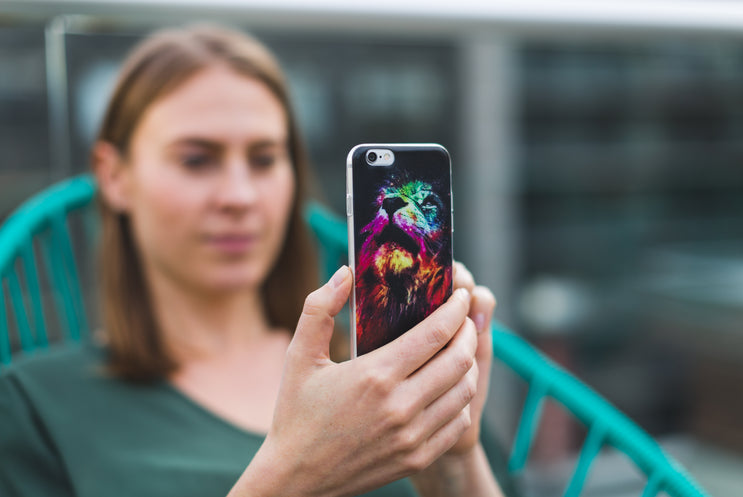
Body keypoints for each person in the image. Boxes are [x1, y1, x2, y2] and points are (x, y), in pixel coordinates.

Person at [0, 24, 504, 497]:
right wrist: (293, 475)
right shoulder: (36, 406)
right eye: (196, 159)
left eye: (264, 159)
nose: (239, 195)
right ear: (114, 177)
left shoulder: (385, 372)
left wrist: (452, 463)